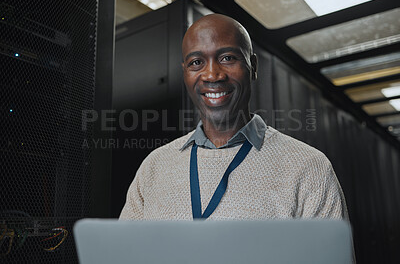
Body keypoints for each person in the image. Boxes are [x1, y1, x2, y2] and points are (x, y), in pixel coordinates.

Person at [119, 14, 349, 221]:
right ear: (185, 74)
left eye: (228, 58)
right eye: (196, 62)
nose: (212, 75)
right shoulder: (154, 167)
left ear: (253, 66)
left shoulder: (309, 167)